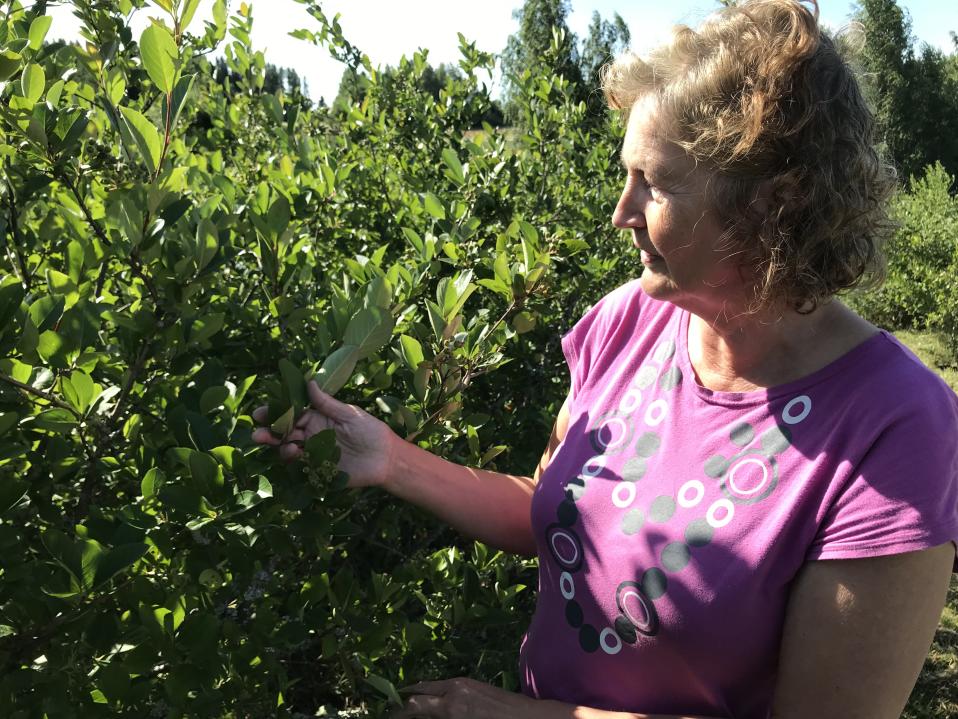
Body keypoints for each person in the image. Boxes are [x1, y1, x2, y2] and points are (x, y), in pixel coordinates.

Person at [253, 0, 958, 716]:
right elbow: (551, 505)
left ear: (772, 204)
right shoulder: (629, 321)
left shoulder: (896, 427)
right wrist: (389, 459)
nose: (620, 212)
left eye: (652, 183)